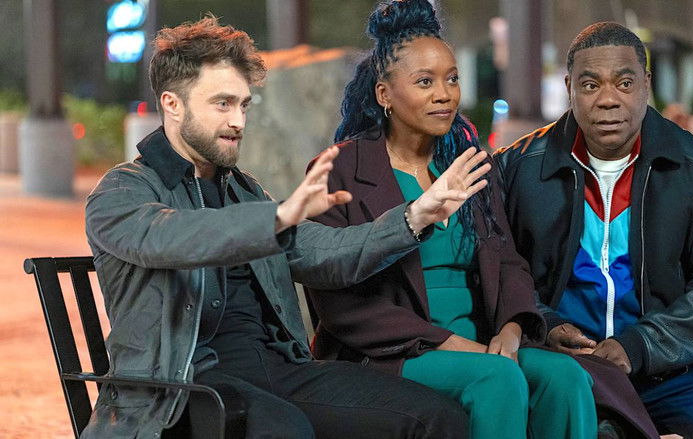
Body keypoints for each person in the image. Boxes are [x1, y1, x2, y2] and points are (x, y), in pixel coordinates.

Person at [81, 16, 495, 439]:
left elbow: (323, 252)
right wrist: (277, 217)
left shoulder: (243, 191)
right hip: (182, 391)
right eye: (222, 104)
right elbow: (171, 236)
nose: (238, 121)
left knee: (436, 416)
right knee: (286, 428)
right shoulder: (122, 191)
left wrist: (414, 216)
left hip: (278, 371)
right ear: (172, 104)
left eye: (244, 105)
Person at [305, 2, 655, 438]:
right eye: (425, 82)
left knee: (564, 377)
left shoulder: (470, 162)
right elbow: (340, 305)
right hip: (391, 352)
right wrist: (455, 345)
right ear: (384, 94)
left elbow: (507, 261)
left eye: (452, 79)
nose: (444, 94)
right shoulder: (339, 170)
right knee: (497, 377)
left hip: (483, 338)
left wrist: (511, 329)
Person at [495, 21, 693, 439]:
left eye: (625, 83)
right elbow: (498, 265)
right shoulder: (517, 167)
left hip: (660, 363)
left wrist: (640, 346)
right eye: (590, 85)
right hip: (562, 359)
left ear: (646, 84)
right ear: (569, 88)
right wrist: (544, 323)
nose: (608, 99)